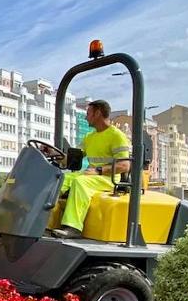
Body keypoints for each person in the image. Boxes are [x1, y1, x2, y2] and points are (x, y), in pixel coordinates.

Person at [52, 99, 130, 238]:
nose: (85, 117)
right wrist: (53, 153)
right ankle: (43, 221)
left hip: (108, 178)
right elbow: (73, 158)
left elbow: (124, 165)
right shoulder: (90, 137)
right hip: (92, 175)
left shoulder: (117, 136)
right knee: (58, 179)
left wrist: (98, 171)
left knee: (80, 182)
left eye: (88, 113)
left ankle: (73, 227)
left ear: (98, 113)